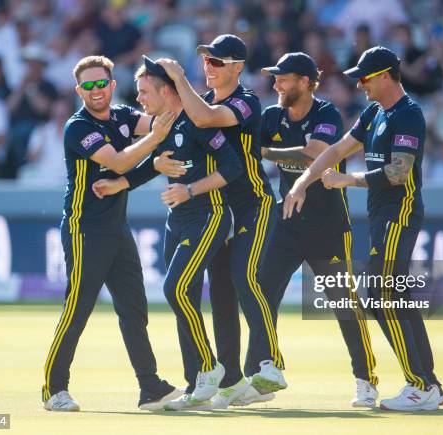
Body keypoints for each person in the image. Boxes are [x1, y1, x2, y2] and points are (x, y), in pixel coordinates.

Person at [284, 46, 443, 411]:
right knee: (396, 299)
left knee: (378, 295)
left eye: (365, 77)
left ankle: (420, 386)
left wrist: (347, 180)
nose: (360, 85)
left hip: (399, 213)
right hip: (381, 215)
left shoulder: (408, 114)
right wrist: (303, 182)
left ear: (386, 75)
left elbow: (398, 173)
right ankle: (429, 382)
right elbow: (338, 148)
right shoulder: (375, 111)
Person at [92, 56, 243, 411]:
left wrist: (190, 190)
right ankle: (196, 386)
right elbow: (153, 164)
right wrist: (121, 184)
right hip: (178, 220)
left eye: (144, 92)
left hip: (209, 215)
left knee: (174, 288)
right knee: (182, 298)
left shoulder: (198, 120)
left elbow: (232, 168)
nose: (139, 98)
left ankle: (210, 367)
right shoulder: (160, 125)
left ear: (166, 91)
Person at [41, 55, 180, 412]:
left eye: (101, 83)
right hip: (83, 227)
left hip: (116, 228)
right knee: (78, 308)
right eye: (88, 86)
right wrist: (156, 141)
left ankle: (150, 388)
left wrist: (173, 104)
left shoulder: (122, 115)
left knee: (134, 308)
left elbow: (162, 121)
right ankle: (54, 389)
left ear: (113, 84)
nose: (96, 90)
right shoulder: (78, 126)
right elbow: (118, 162)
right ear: (79, 90)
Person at [156, 34, 286, 408]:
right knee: (223, 296)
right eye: (205, 61)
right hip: (217, 210)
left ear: (237, 67)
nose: (207, 68)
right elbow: (179, 133)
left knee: (246, 276)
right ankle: (230, 380)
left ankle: (271, 363)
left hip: (253, 203)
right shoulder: (205, 99)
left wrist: (179, 79)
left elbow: (204, 118)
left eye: (217, 62)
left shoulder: (246, 101)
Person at [256, 52, 379, 407]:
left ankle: (365, 380)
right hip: (288, 222)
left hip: (327, 226)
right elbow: (247, 150)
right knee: (261, 296)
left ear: (308, 81)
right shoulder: (271, 116)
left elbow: (315, 155)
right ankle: (268, 369)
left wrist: (267, 150)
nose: (277, 83)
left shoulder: (326, 112)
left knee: (344, 304)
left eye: (285, 77)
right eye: (275, 77)